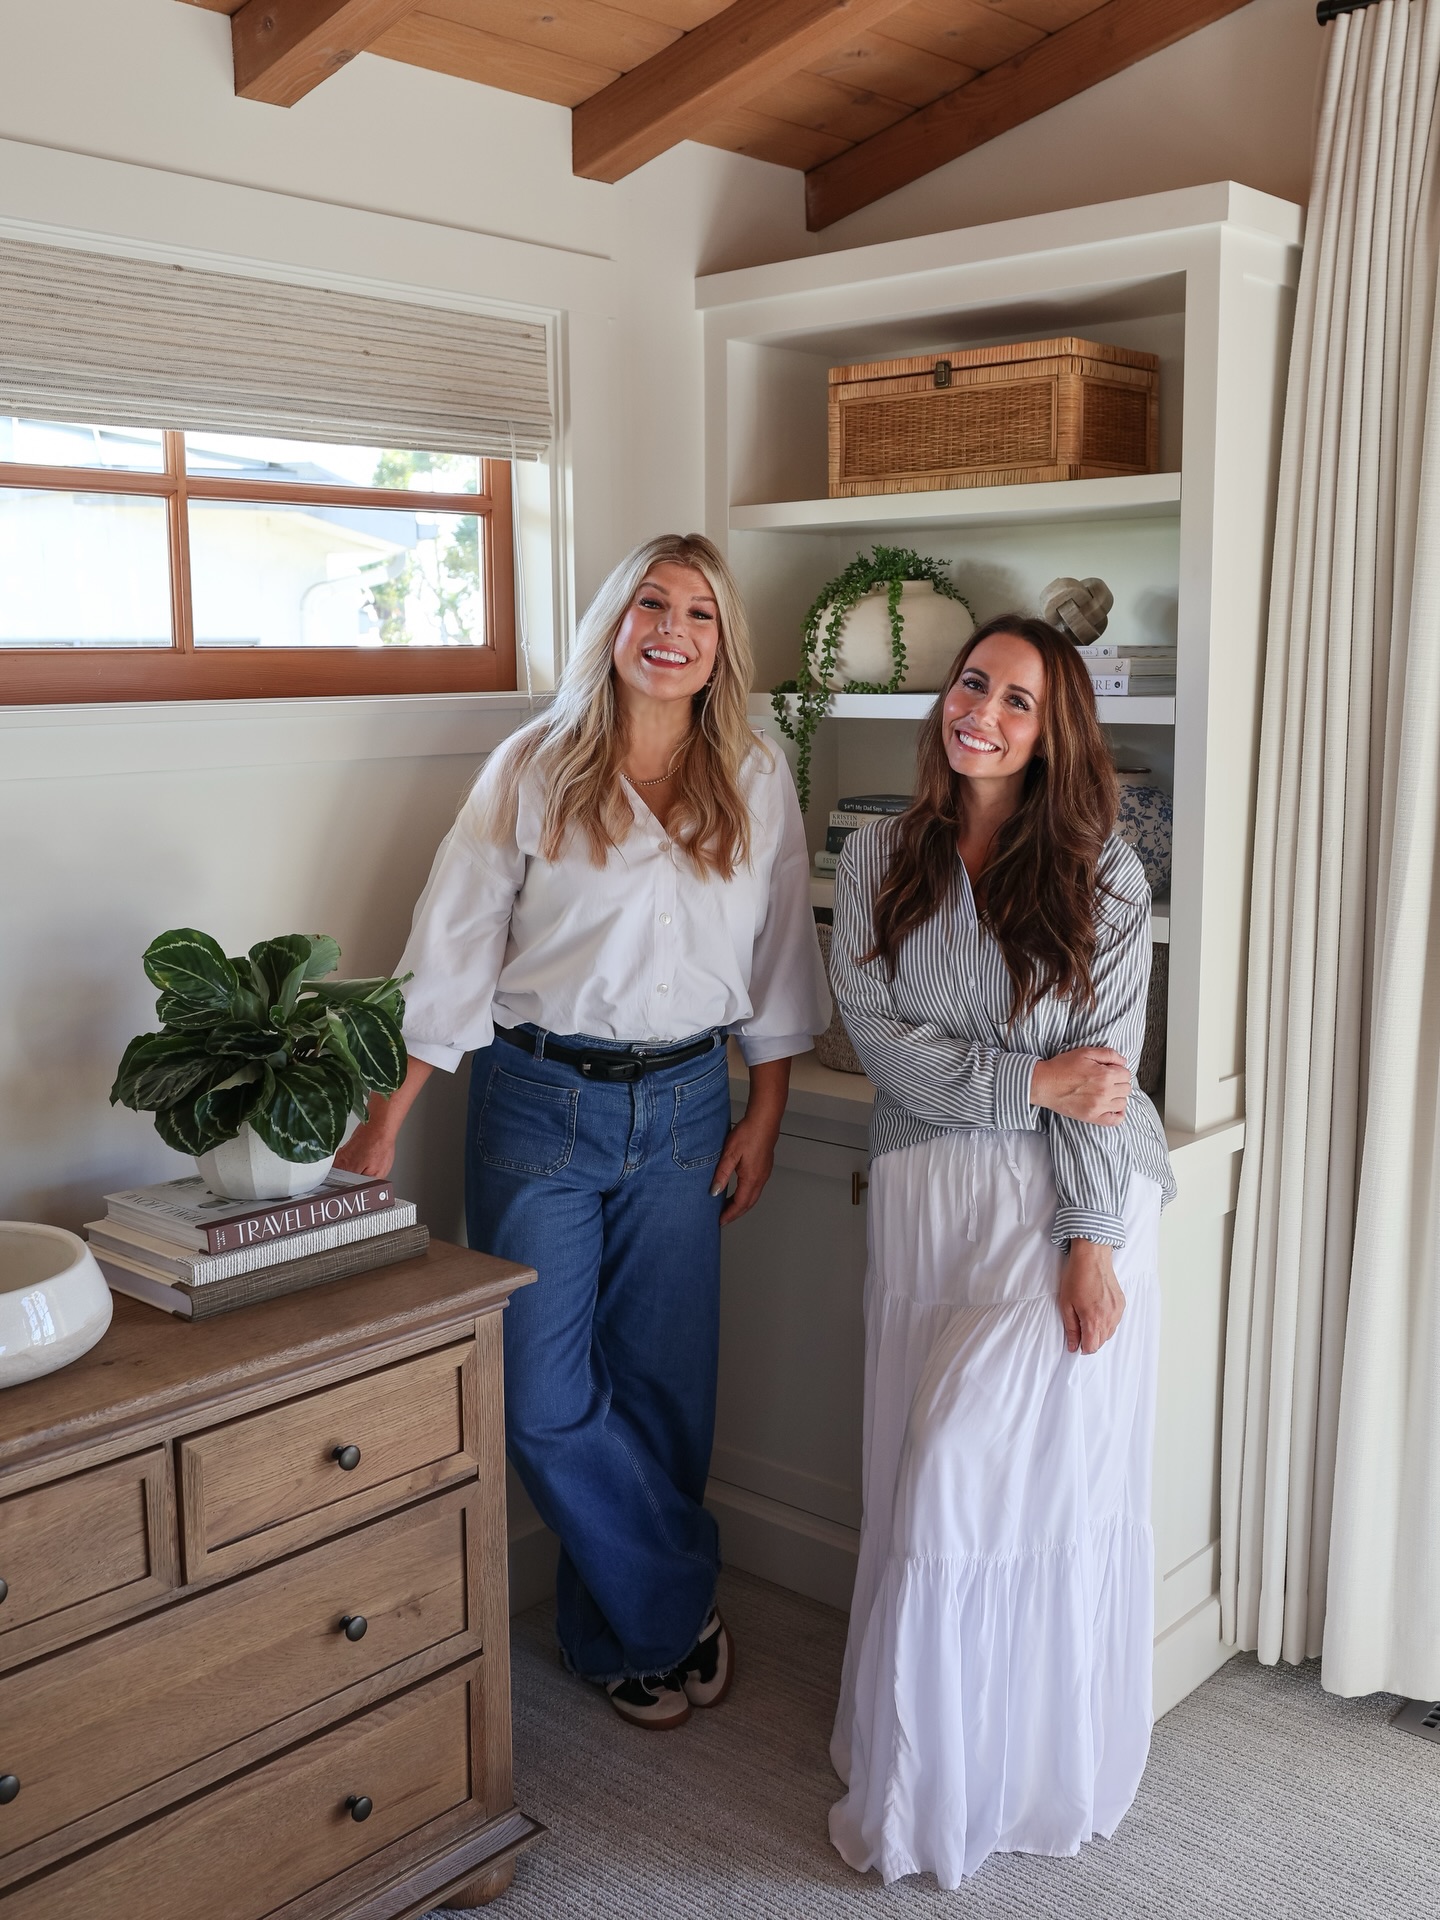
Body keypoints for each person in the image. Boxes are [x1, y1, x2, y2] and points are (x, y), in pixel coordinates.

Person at [336, 533, 826, 1732]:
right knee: (539, 1396)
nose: (673, 630)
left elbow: (779, 956)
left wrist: (765, 1114)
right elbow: (450, 951)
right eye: (652, 603)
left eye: (700, 614)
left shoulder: (755, 772)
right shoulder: (534, 767)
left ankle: (619, 1641)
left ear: (722, 646)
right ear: (614, 622)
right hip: (539, 1104)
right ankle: (676, 1604)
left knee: (665, 1394)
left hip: (690, 1106)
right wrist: (382, 1124)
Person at [826, 614, 1175, 1886]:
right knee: (929, 1486)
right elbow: (878, 1042)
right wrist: (1028, 1077)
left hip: (1066, 1204)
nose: (982, 711)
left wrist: (1089, 1241)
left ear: (1053, 731)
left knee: (997, 1488)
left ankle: (1026, 1768)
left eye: (1018, 700)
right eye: (973, 684)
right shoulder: (878, 854)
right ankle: (928, 1769)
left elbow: (1105, 1083)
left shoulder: (1103, 876)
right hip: (928, 1205)